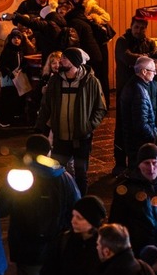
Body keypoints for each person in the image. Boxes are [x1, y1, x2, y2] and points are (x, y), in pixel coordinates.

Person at [0, 134, 80, 275]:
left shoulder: (19, 177)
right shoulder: (64, 177)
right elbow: (76, 207)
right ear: (48, 152)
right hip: (57, 248)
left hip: (28, 249)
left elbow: (1, 207)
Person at [34, 47, 107, 195]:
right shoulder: (55, 81)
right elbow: (46, 106)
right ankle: (59, 200)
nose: (61, 61)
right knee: (55, 172)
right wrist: (40, 127)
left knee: (81, 174)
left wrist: (88, 126)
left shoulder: (91, 82)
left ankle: (81, 202)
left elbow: (100, 108)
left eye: (65, 58)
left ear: (75, 61)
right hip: (60, 138)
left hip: (81, 138)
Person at [109, 143, 157, 270]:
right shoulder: (126, 189)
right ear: (139, 164)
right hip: (139, 256)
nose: (151, 168)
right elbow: (117, 224)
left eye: (154, 163)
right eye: (146, 163)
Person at [116, 56, 157, 173]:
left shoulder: (135, 85)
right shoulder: (138, 91)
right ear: (144, 72)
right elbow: (141, 123)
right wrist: (154, 137)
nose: (155, 73)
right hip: (138, 143)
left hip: (132, 141)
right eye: (153, 70)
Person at [116, 17, 156, 93]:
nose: (138, 31)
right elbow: (127, 58)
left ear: (146, 29)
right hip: (126, 82)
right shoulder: (122, 40)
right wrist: (146, 57)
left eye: (142, 28)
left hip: (144, 83)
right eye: (136, 27)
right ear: (131, 26)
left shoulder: (150, 43)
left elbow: (155, 58)